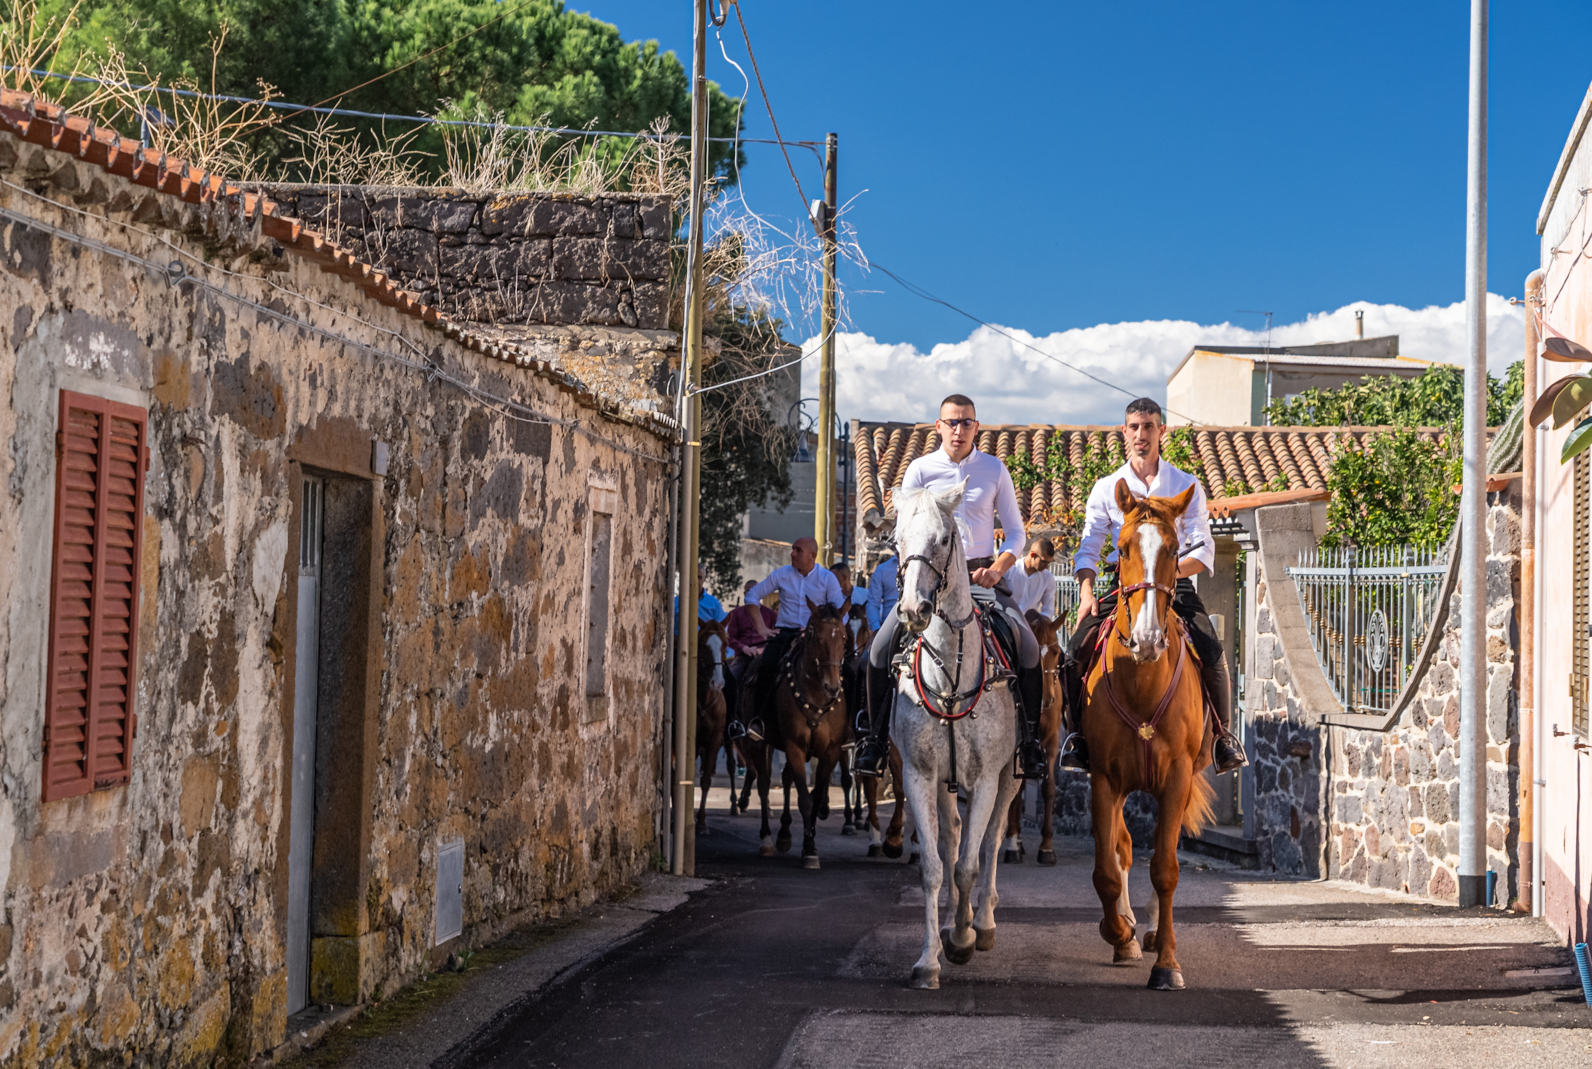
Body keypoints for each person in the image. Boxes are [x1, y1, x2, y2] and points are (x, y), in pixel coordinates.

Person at [854, 394, 1050, 780]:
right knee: (878, 649)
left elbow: (1016, 533)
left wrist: (998, 568)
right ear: (939, 426)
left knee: (1028, 647)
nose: (959, 430)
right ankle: (874, 741)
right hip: (929, 582)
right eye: (952, 422)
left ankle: (1029, 744)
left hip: (981, 577)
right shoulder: (919, 470)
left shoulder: (994, 470)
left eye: (966, 422)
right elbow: (905, 531)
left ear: (976, 427)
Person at [1060, 397, 1248, 774]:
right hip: (1124, 584)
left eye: (1148, 426)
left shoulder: (1185, 484)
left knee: (1212, 650)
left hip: (1173, 581)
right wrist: (1086, 593)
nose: (1141, 434)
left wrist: (1166, 575)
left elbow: (1203, 547)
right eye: (1134, 427)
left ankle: (1222, 737)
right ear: (1124, 431)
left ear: (1162, 431)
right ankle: (1077, 736)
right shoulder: (1106, 487)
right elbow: (1089, 546)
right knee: (1074, 650)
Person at [738, 536, 845, 741]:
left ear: (812, 556)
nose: (792, 554)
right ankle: (759, 721)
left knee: (846, 669)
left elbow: (840, 613)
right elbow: (752, 596)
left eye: (798, 550)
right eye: (793, 549)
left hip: (817, 637)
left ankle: (848, 729)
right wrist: (762, 629)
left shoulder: (827, 578)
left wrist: (824, 630)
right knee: (766, 666)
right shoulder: (782, 574)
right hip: (785, 634)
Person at [1008, 536, 1058, 620]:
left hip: (1029, 624)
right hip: (1004, 621)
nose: (1047, 566)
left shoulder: (1048, 578)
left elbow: (1048, 610)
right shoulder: (1010, 570)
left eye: (1049, 562)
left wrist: (1042, 623)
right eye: (1043, 561)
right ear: (1032, 554)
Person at [864, 551, 899, 632]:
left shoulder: (922, 566)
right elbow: (873, 603)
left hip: (919, 626)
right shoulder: (882, 570)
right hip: (889, 627)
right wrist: (876, 628)